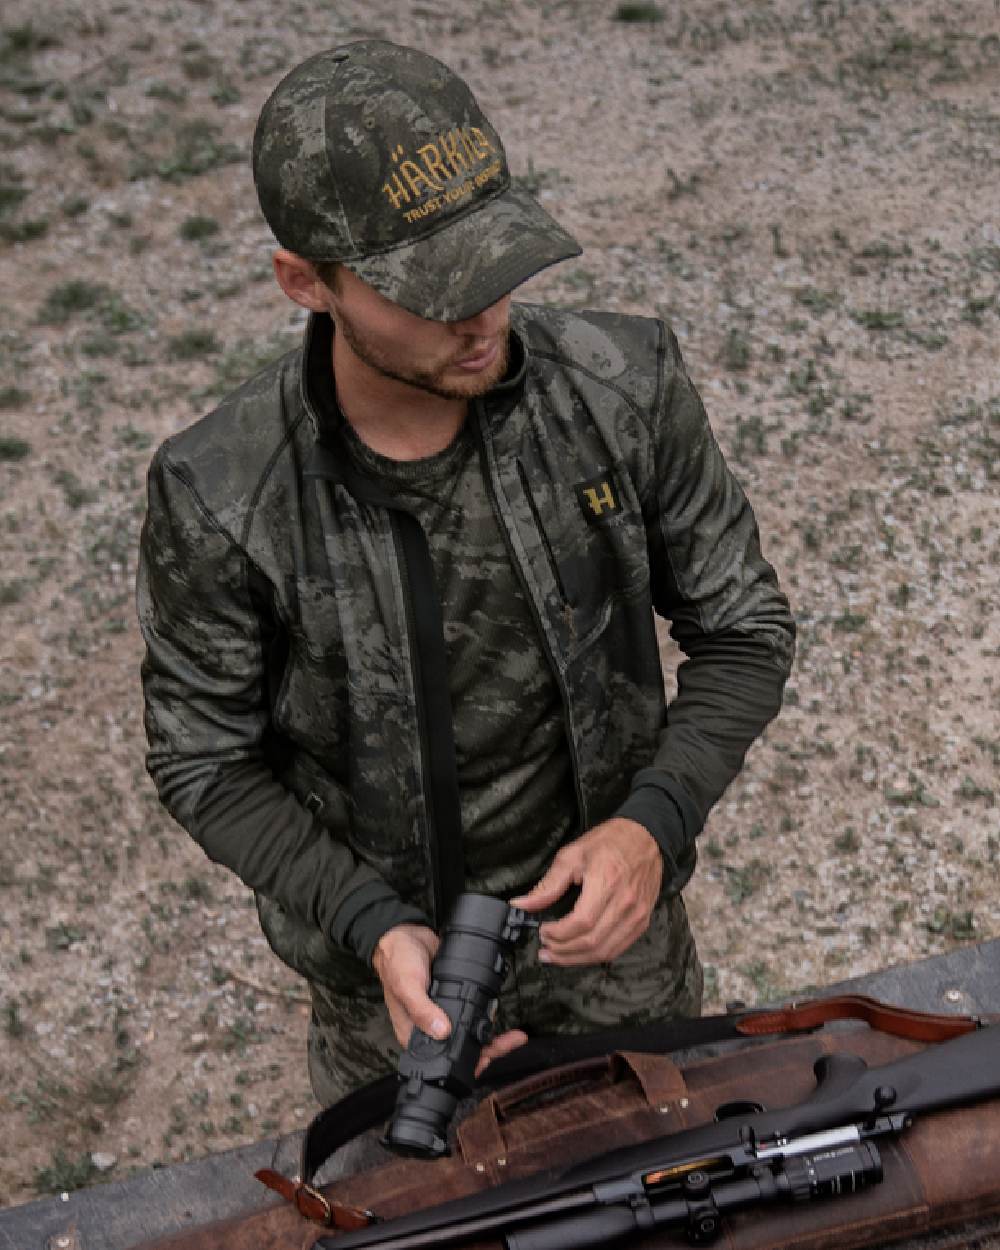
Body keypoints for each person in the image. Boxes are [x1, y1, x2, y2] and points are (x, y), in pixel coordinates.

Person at [136, 39, 795, 1108]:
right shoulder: (222, 492)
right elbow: (203, 757)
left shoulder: (622, 388)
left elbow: (745, 628)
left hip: (619, 957)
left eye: (490, 266)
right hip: (391, 998)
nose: (479, 316)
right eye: (424, 289)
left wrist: (650, 824)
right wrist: (371, 925)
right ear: (305, 281)